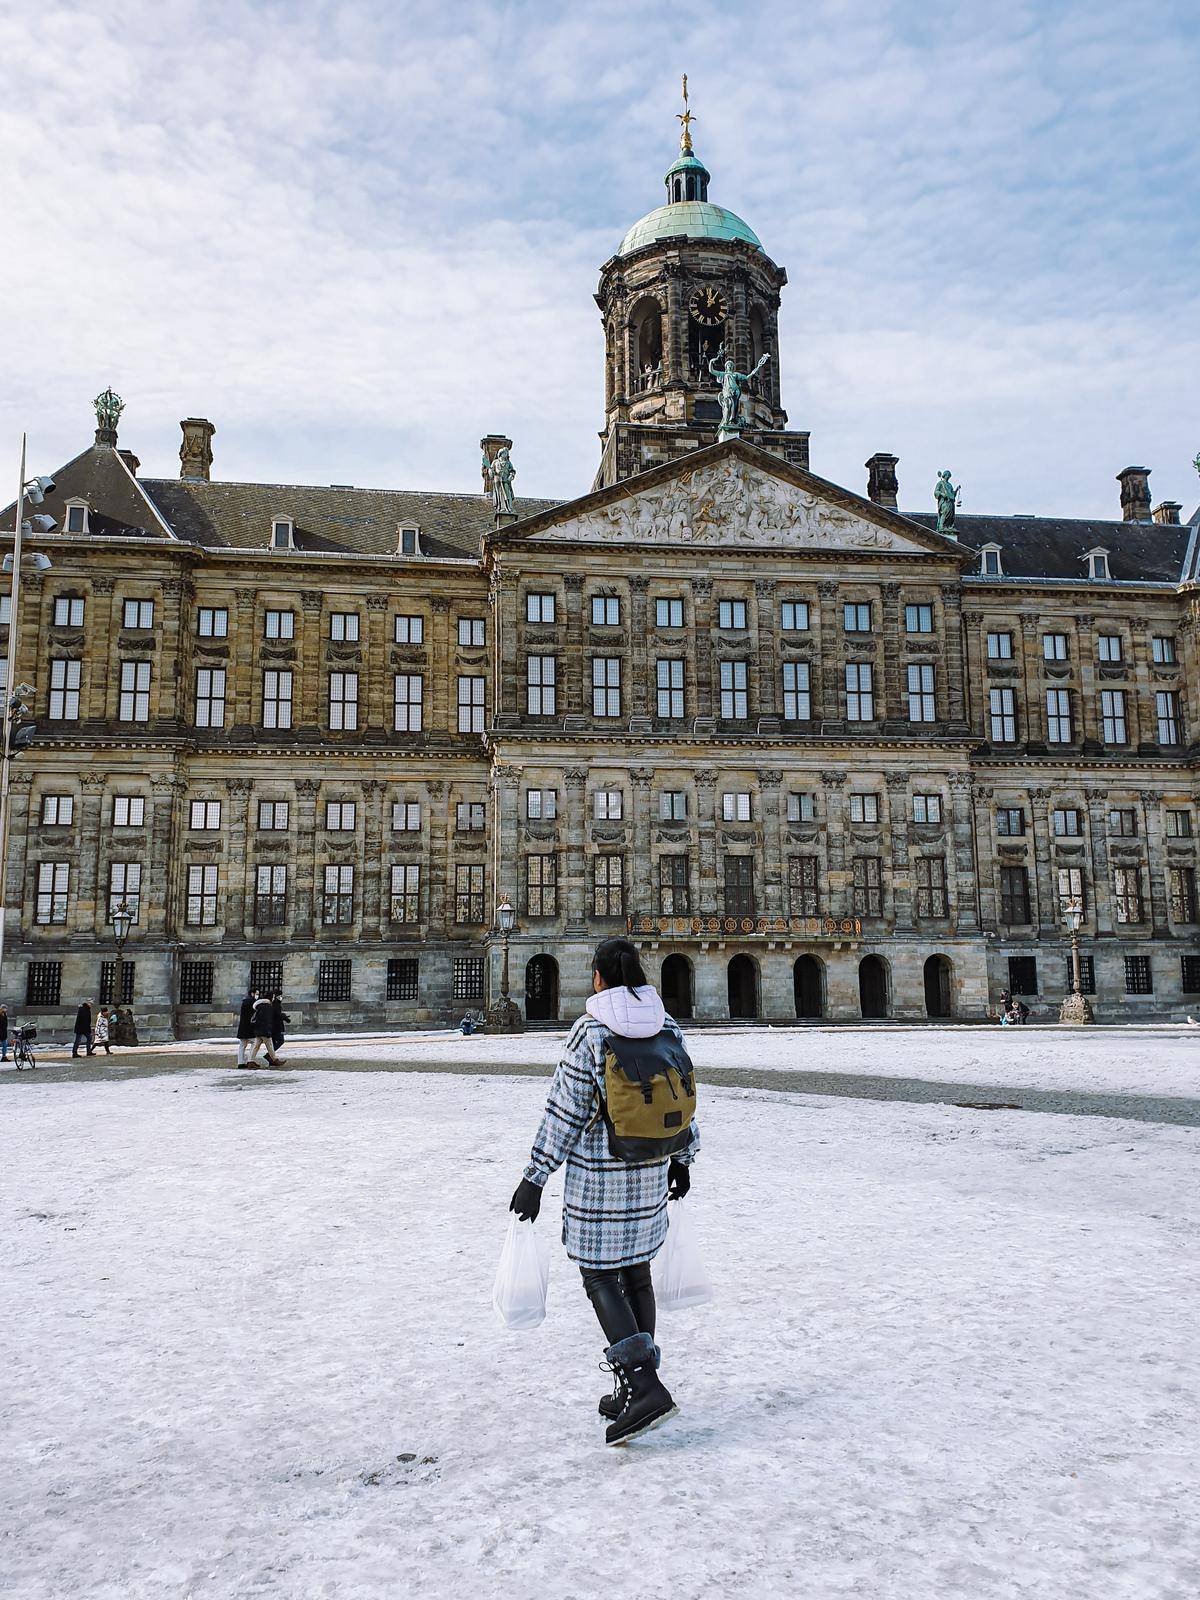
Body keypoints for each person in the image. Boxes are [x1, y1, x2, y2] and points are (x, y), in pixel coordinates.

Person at [510, 937, 699, 1446]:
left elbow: (564, 1112)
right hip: (651, 1169)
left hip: (600, 1173)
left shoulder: (590, 1032)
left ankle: (643, 1385)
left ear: (597, 978)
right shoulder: (666, 1023)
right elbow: (684, 1096)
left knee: (599, 1276)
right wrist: (683, 1157)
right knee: (636, 1274)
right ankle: (635, 1381)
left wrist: (535, 1176)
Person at [243, 992, 287, 1068]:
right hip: (265, 1030)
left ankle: (250, 1061)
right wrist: (268, 1030)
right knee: (270, 1046)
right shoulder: (268, 1007)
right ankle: (274, 1060)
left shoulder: (260, 1006)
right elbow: (267, 1020)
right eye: (273, 997)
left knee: (256, 1046)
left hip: (258, 1030)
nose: (273, 998)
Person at [236, 987, 257, 1066]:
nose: (257, 995)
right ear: (252, 993)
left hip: (242, 1027)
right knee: (255, 1043)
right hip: (250, 1027)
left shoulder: (244, 1002)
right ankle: (250, 1060)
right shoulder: (253, 1002)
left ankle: (240, 1062)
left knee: (242, 1045)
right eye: (257, 993)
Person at [270, 992, 290, 1056]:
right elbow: (278, 1015)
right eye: (280, 996)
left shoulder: (273, 1003)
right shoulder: (276, 1004)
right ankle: (269, 1055)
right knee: (280, 1041)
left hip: (272, 1026)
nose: (281, 997)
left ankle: (272, 1058)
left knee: (273, 1043)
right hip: (276, 1026)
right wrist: (284, 1017)